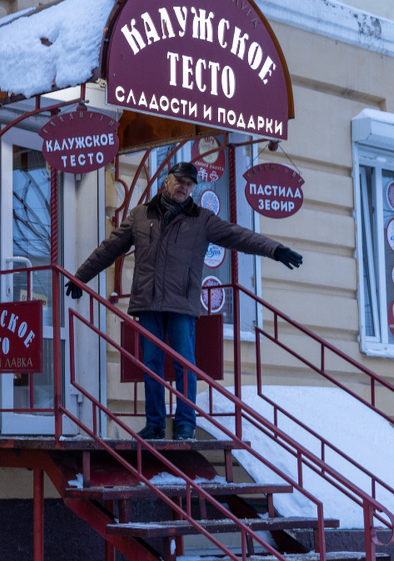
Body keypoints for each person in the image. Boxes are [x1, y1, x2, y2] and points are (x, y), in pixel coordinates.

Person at [65, 161, 302, 441]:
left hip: (181, 302)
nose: (184, 187)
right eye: (180, 181)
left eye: (189, 184)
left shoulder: (202, 219)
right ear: (167, 181)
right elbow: (111, 247)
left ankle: (185, 423)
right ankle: (154, 424)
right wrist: (81, 276)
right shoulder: (141, 215)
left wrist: (274, 249)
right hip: (148, 302)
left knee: (184, 364)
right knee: (150, 364)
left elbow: (238, 236)